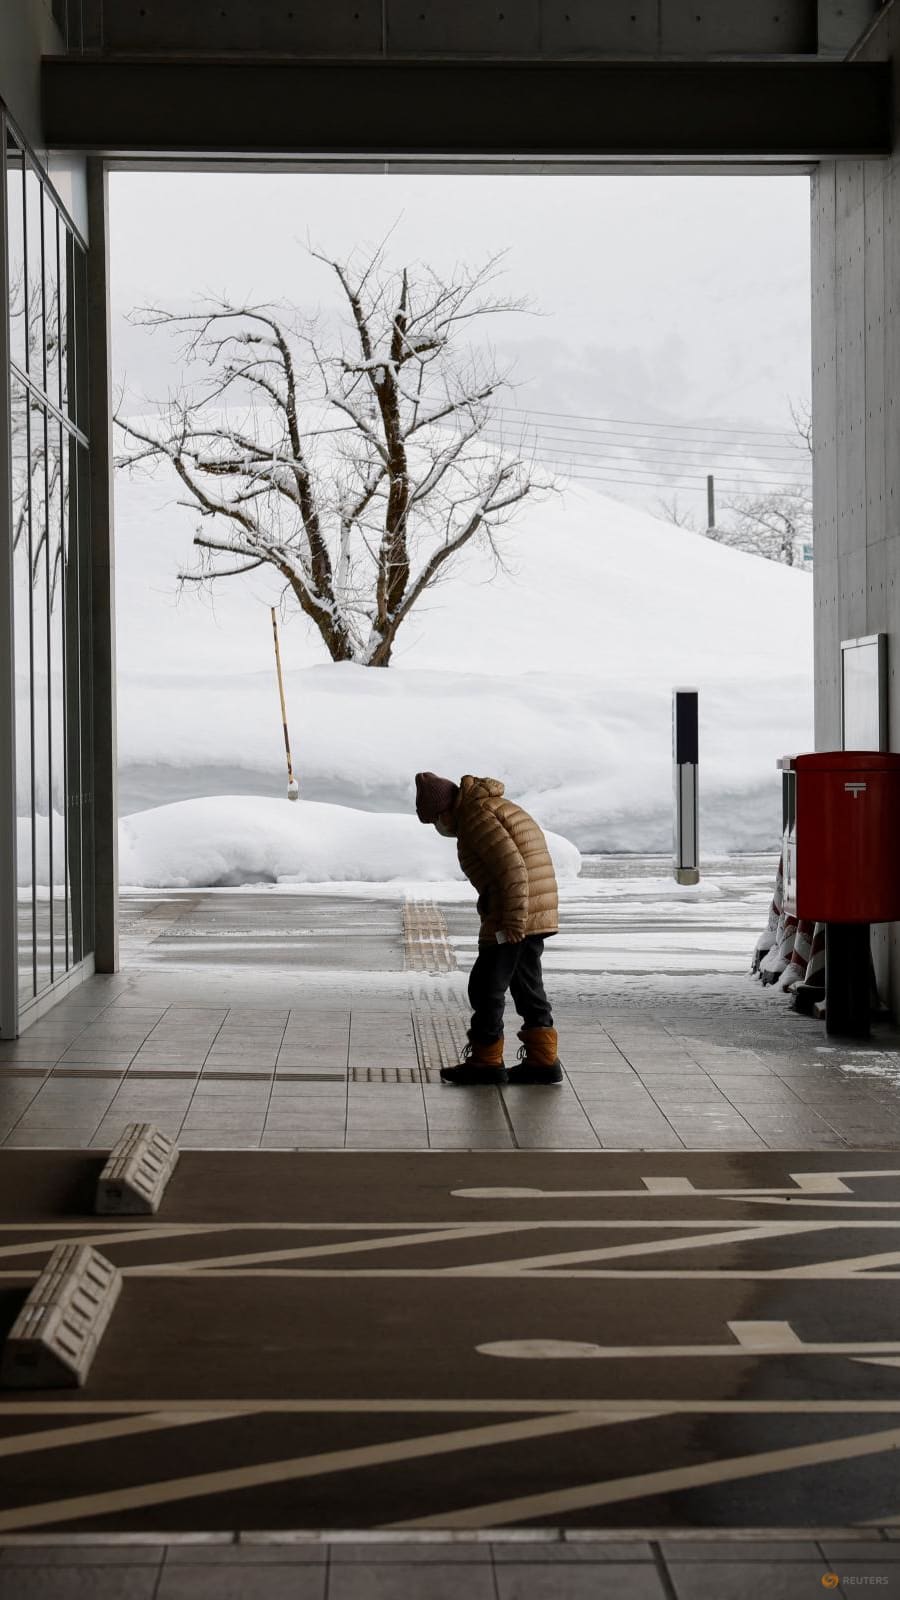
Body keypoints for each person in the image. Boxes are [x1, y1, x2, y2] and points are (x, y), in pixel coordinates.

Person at [415, 771, 562, 1086]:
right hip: (532, 908)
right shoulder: (489, 807)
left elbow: (513, 869)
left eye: (434, 821)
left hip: (515, 911)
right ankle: (542, 1058)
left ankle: (486, 1060)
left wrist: (512, 920)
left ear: (444, 810)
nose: (438, 829)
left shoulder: (476, 818)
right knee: (525, 983)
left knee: (486, 986)